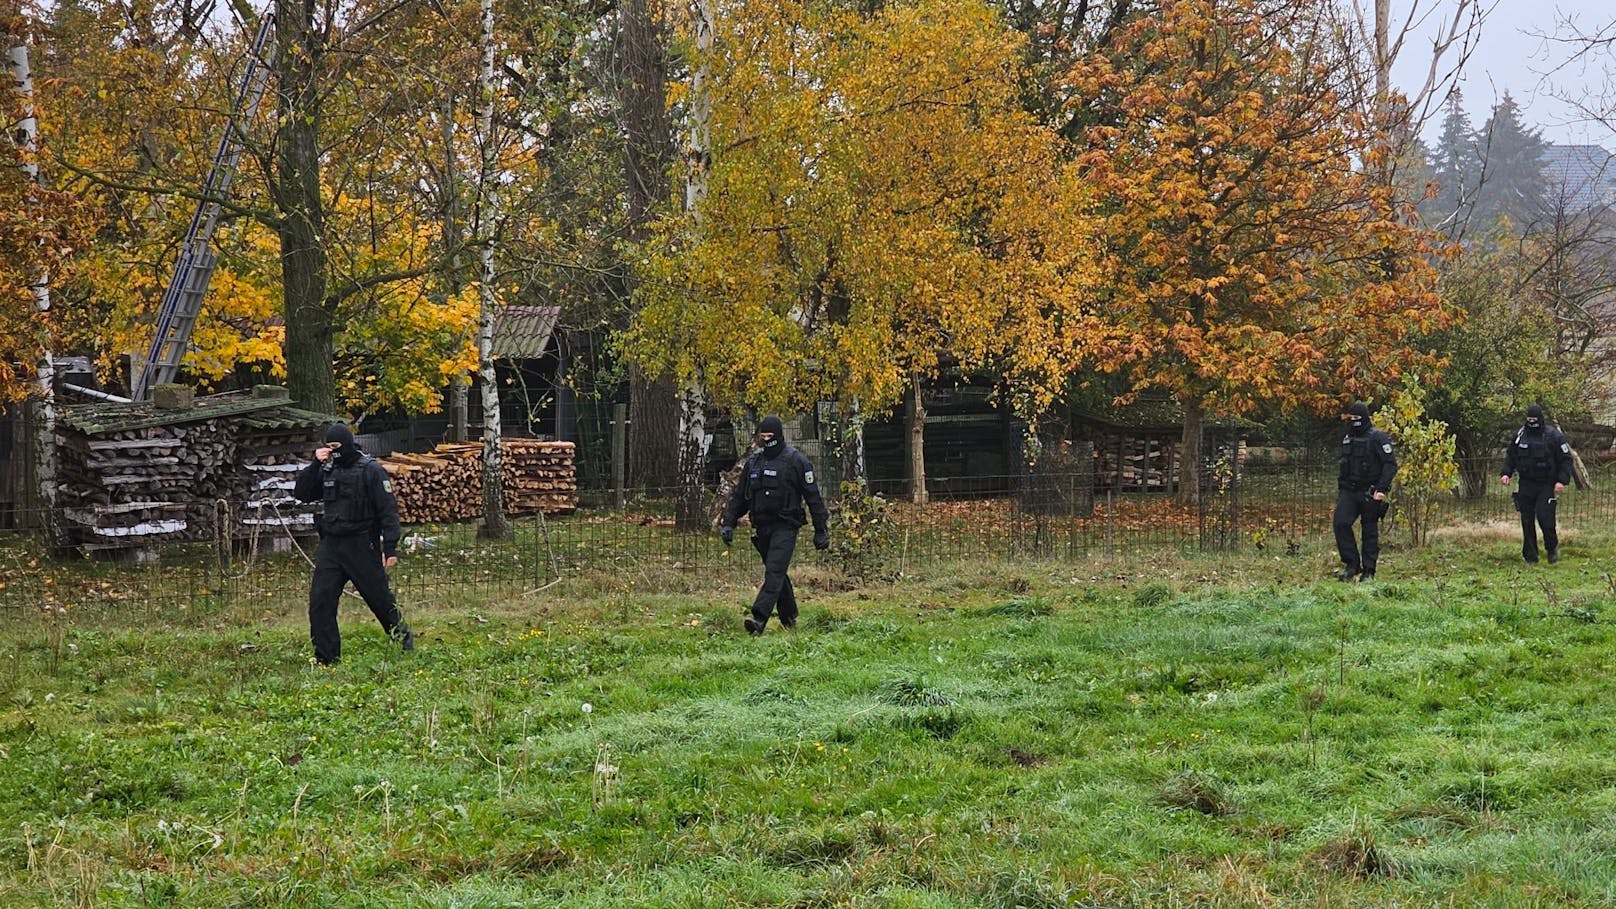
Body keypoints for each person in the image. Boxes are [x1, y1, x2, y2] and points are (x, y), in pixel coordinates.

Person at [292, 423, 413, 664]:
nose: (333, 451)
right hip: (332, 545)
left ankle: (403, 641)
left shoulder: (370, 470)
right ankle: (327, 657)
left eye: (336, 447)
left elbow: (388, 510)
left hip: (362, 544)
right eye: (329, 447)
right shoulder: (327, 469)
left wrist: (390, 547)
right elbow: (302, 492)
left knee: (379, 599)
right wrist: (315, 463)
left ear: (347, 444)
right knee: (320, 600)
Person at [720, 415, 830, 634]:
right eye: (763, 436)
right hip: (761, 526)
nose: (766, 440)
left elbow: (813, 497)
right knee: (777, 572)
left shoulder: (797, 461)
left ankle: (759, 618)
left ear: (779, 436)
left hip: (786, 525)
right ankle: (789, 618)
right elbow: (740, 497)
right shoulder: (754, 462)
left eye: (770, 436)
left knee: (774, 571)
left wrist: (821, 530)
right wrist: (729, 522)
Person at [1500, 404, 1573, 564]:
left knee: (1545, 518)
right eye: (1529, 419)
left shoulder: (1553, 435)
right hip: (1526, 483)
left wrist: (1561, 480)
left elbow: (1566, 459)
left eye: (1534, 419)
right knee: (1526, 521)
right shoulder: (1520, 435)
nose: (1532, 422)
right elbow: (1511, 456)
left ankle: (1552, 549)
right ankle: (1530, 556)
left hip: (1546, 484)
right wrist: (1506, 473)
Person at [1334, 401, 1397, 583]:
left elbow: (1390, 464)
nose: (1353, 422)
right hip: (1349, 491)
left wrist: (1381, 489)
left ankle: (1369, 571)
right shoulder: (1348, 438)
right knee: (1341, 523)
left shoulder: (1378, 437)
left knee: (1369, 531)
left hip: (1370, 492)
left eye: (1357, 418)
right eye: (1351, 418)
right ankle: (1352, 564)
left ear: (1365, 418)